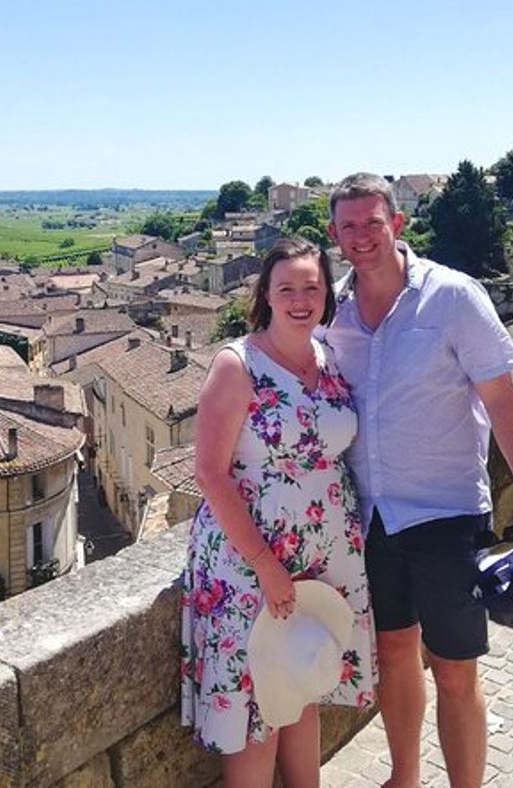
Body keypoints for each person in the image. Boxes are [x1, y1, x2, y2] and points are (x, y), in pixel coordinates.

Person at [322, 173, 513, 788]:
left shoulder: (453, 298)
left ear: (397, 224)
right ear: (333, 234)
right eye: (348, 226)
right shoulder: (332, 310)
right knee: (394, 655)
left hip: (444, 513)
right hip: (370, 517)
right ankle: (404, 776)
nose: (361, 237)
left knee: (455, 670)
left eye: (372, 223)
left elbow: (506, 405)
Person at [181, 237, 376, 787]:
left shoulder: (329, 357)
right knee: (256, 703)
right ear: (265, 294)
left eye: (311, 287)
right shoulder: (237, 365)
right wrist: (267, 564)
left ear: (325, 295)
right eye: (286, 287)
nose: (299, 298)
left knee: (301, 686)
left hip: (324, 557)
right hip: (251, 562)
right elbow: (210, 475)